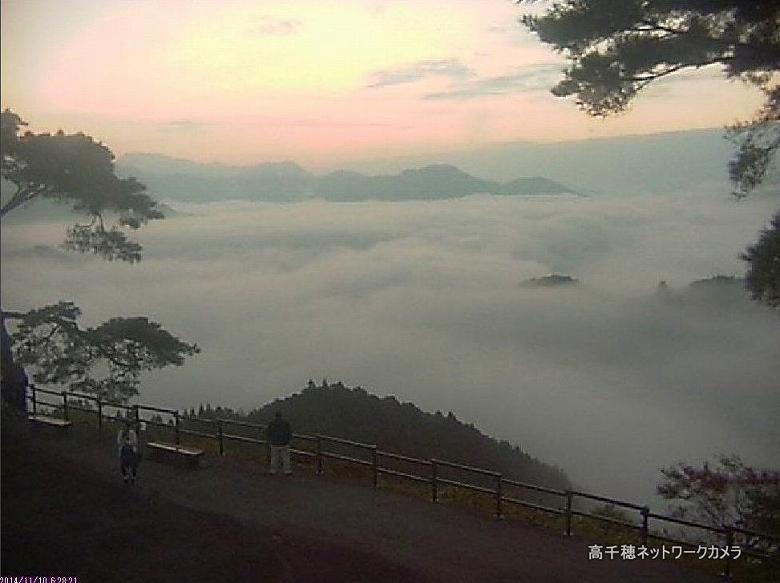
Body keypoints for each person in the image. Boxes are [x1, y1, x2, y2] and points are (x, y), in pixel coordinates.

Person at [267, 410, 292, 476]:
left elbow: (269, 432)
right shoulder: (286, 423)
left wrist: (269, 440)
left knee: (274, 457)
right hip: (284, 443)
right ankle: (287, 470)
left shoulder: (271, 423)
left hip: (274, 443)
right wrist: (288, 440)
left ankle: (273, 470)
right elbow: (289, 432)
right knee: (286, 457)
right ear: (281, 415)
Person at [117, 419, 139, 484]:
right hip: (124, 449)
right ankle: (125, 476)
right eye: (126, 426)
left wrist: (130, 444)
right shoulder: (121, 433)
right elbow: (119, 442)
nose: (126, 428)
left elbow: (135, 442)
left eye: (128, 426)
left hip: (131, 450)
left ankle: (133, 477)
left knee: (134, 464)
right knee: (122, 465)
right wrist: (124, 443)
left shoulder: (132, 433)